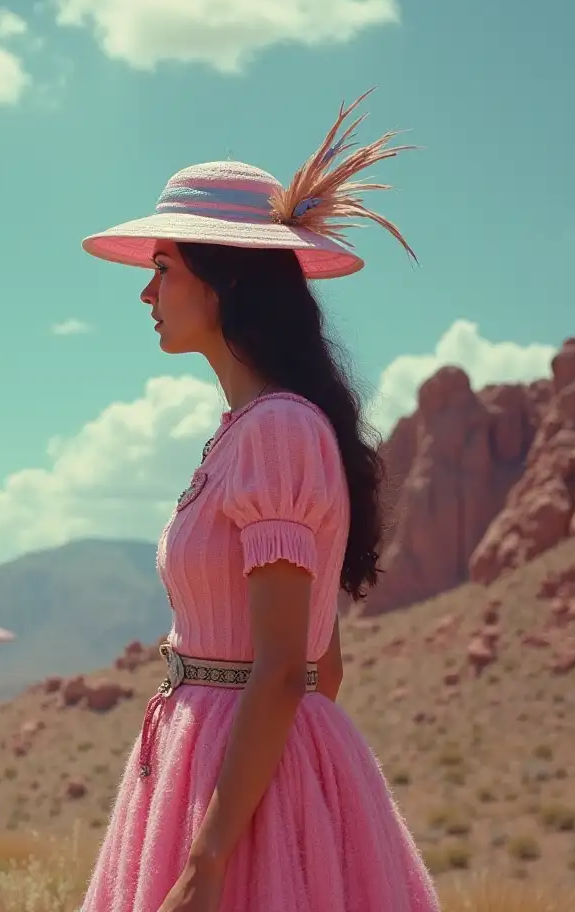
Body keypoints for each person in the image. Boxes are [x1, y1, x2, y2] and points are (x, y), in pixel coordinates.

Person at [76, 89, 440, 912]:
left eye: (163, 270)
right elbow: (324, 664)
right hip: (215, 764)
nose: (147, 294)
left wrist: (215, 857)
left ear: (226, 278)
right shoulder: (251, 430)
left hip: (228, 782)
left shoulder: (277, 431)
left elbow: (288, 670)